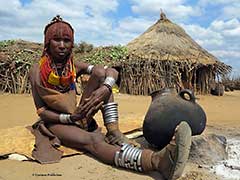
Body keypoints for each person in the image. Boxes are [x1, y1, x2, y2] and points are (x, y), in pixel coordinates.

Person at [29, 15, 192, 180]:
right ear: (47, 42)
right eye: (56, 40)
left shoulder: (73, 66)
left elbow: (111, 71)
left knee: (101, 74)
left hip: (79, 116)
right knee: (93, 141)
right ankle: (155, 162)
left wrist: (105, 88)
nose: (62, 45)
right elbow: (42, 112)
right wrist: (70, 118)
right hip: (57, 122)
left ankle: (114, 132)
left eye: (67, 40)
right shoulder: (37, 71)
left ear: (72, 43)